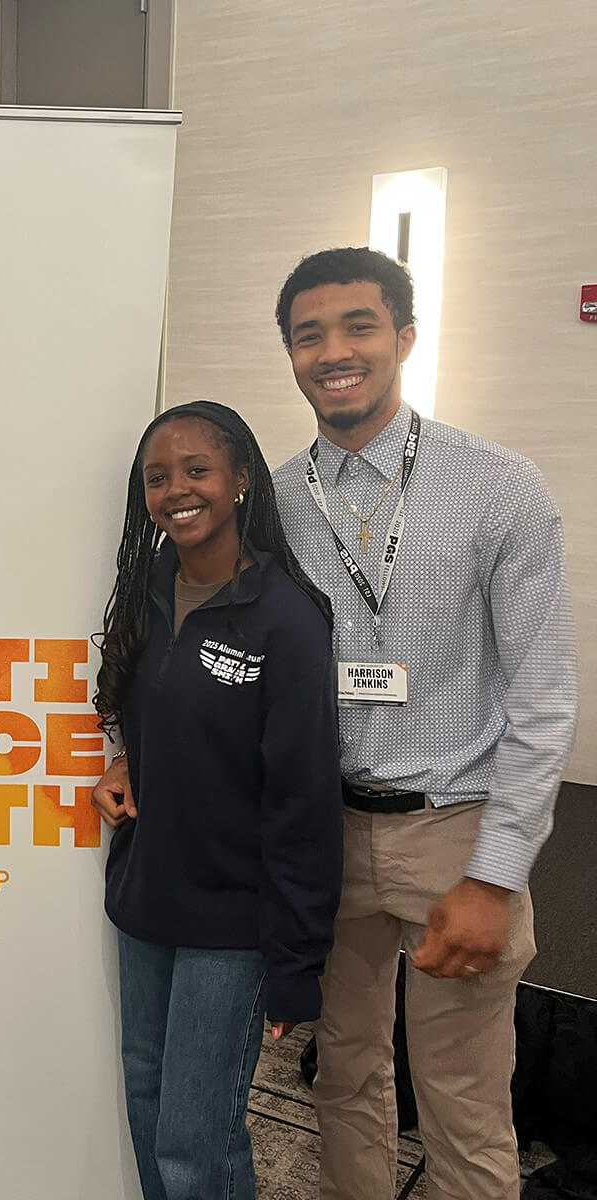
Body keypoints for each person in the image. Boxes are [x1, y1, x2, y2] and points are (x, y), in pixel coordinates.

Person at [270, 247, 577, 1199]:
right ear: (289, 355)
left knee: (465, 1102)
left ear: (404, 336)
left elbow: (544, 697)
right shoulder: (274, 503)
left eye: (358, 325)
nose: (334, 352)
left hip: (454, 828)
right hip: (323, 830)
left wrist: (498, 874)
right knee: (343, 1077)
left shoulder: (499, 488)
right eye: (308, 334)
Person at [90, 400, 343, 1200]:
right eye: (157, 477)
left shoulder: (286, 620)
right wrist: (123, 758)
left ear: (239, 479)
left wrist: (298, 962)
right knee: (147, 1107)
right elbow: (138, 704)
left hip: (231, 924)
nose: (176, 490)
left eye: (196, 470)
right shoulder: (146, 590)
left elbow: (304, 802)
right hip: (146, 905)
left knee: (197, 1144)